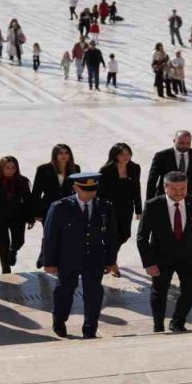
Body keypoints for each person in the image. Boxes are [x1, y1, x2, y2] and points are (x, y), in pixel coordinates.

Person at [42, 173, 119, 338]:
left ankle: (90, 326)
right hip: (68, 257)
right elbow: (50, 237)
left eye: (93, 189)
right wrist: (49, 261)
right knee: (65, 290)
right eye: (85, 189)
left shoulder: (105, 207)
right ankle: (59, 320)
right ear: (75, 187)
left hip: (94, 257)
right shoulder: (60, 207)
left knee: (94, 293)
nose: (90, 193)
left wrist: (111, 260)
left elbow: (112, 236)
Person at [136, 171, 192, 334]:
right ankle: (158, 326)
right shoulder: (153, 205)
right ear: (165, 187)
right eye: (175, 189)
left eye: (182, 188)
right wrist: (148, 263)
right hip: (161, 258)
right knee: (159, 293)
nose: (179, 193)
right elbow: (142, 237)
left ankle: (178, 321)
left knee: (191, 291)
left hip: (189, 256)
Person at [0, 156, 34, 274]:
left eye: (13, 168)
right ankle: (5, 269)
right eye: (7, 168)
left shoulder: (22, 181)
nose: (10, 170)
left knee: (19, 241)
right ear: (1, 168)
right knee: (3, 242)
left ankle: (13, 251)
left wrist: (31, 218)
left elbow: (28, 201)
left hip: (17, 216)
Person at [98, 143, 143, 253]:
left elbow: (136, 188)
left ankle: (109, 256)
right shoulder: (106, 170)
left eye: (128, 154)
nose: (126, 157)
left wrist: (138, 209)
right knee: (112, 234)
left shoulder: (134, 167)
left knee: (125, 234)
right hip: (110, 207)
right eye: (122, 155)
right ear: (115, 155)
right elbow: (101, 192)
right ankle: (111, 260)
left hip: (127, 206)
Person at [147, 131, 192, 204]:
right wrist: (149, 202)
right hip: (166, 198)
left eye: (188, 143)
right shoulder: (161, 156)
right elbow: (152, 180)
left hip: (188, 198)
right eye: (181, 143)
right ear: (174, 141)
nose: (185, 146)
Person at [32, 144, 80, 229]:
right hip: (49, 208)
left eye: (66, 153)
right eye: (60, 153)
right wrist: (37, 212)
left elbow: (78, 189)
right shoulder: (43, 169)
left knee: (67, 236)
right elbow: (36, 192)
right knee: (50, 237)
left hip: (68, 208)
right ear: (55, 155)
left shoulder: (75, 168)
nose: (64, 155)